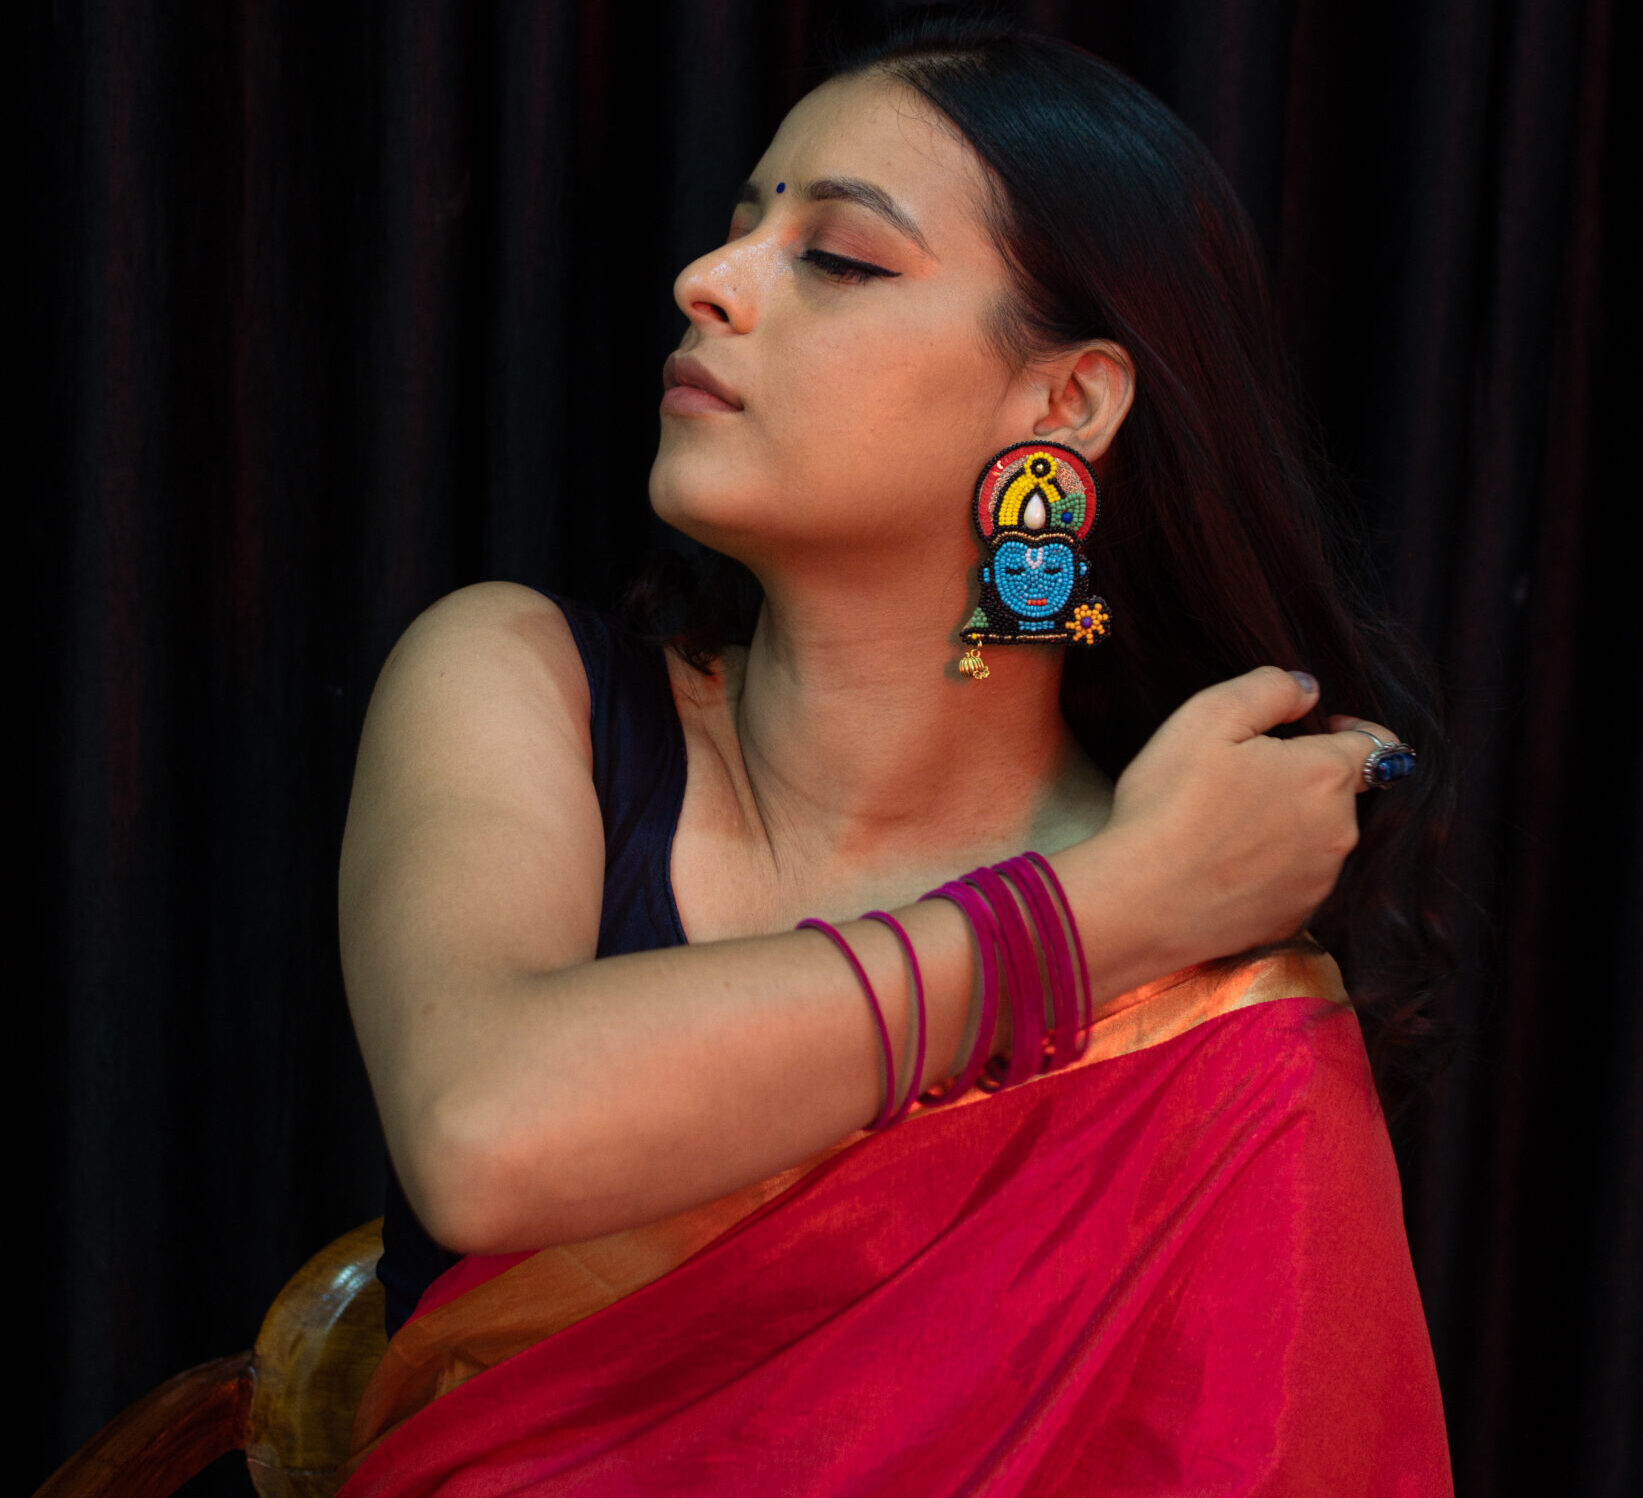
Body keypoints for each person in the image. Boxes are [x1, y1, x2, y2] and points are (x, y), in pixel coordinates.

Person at [336, 16, 1453, 1496]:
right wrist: (1102, 915)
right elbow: (485, 1133)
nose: (708, 278)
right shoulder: (519, 684)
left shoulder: (1209, 1020)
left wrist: (1142, 915)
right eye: (742, 223)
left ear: (1063, 405)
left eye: (839, 257)